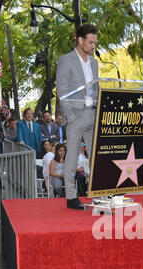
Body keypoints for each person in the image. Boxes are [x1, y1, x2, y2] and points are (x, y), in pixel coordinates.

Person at [56, 23, 99, 210]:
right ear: (80, 41)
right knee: (72, 158)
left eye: (95, 43)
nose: (93, 46)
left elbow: (96, 88)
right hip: (75, 117)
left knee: (97, 158)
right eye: (90, 42)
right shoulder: (66, 60)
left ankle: (97, 193)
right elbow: (62, 91)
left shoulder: (95, 62)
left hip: (93, 114)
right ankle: (71, 197)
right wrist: (71, 117)